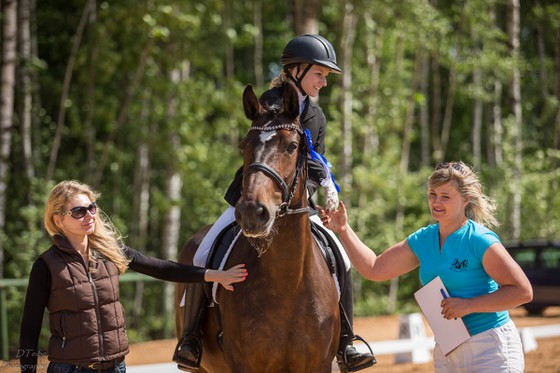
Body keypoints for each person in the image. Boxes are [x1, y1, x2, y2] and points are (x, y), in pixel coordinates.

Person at [173, 34, 376, 372]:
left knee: (340, 256)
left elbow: (314, 160)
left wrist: (324, 183)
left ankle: (346, 341)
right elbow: (264, 148)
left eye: (326, 77)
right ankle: (192, 336)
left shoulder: (317, 116)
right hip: (254, 196)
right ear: (296, 70)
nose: (324, 82)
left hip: (297, 203)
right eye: (320, 74)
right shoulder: (269, 102)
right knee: (203, 249)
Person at [319, 161, 533, 372]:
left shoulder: (479, 239)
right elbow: (374, 268)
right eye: (433, 194)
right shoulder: (423, 239)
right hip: (447, 349)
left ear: (466, 199)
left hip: (490, 347)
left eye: (445, 197)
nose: (436, 202)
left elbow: (523, 291)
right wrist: (344, 229)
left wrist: (468, 306)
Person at [18, 180, 248, 373]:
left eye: (92, 208)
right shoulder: (46, 265)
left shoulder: (111, 251)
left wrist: (215, 275)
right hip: (70, 368)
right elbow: (30, 327)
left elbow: (163, 268)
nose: (89, 215)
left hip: (115, 367)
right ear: (58, 220)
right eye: (78, 211)